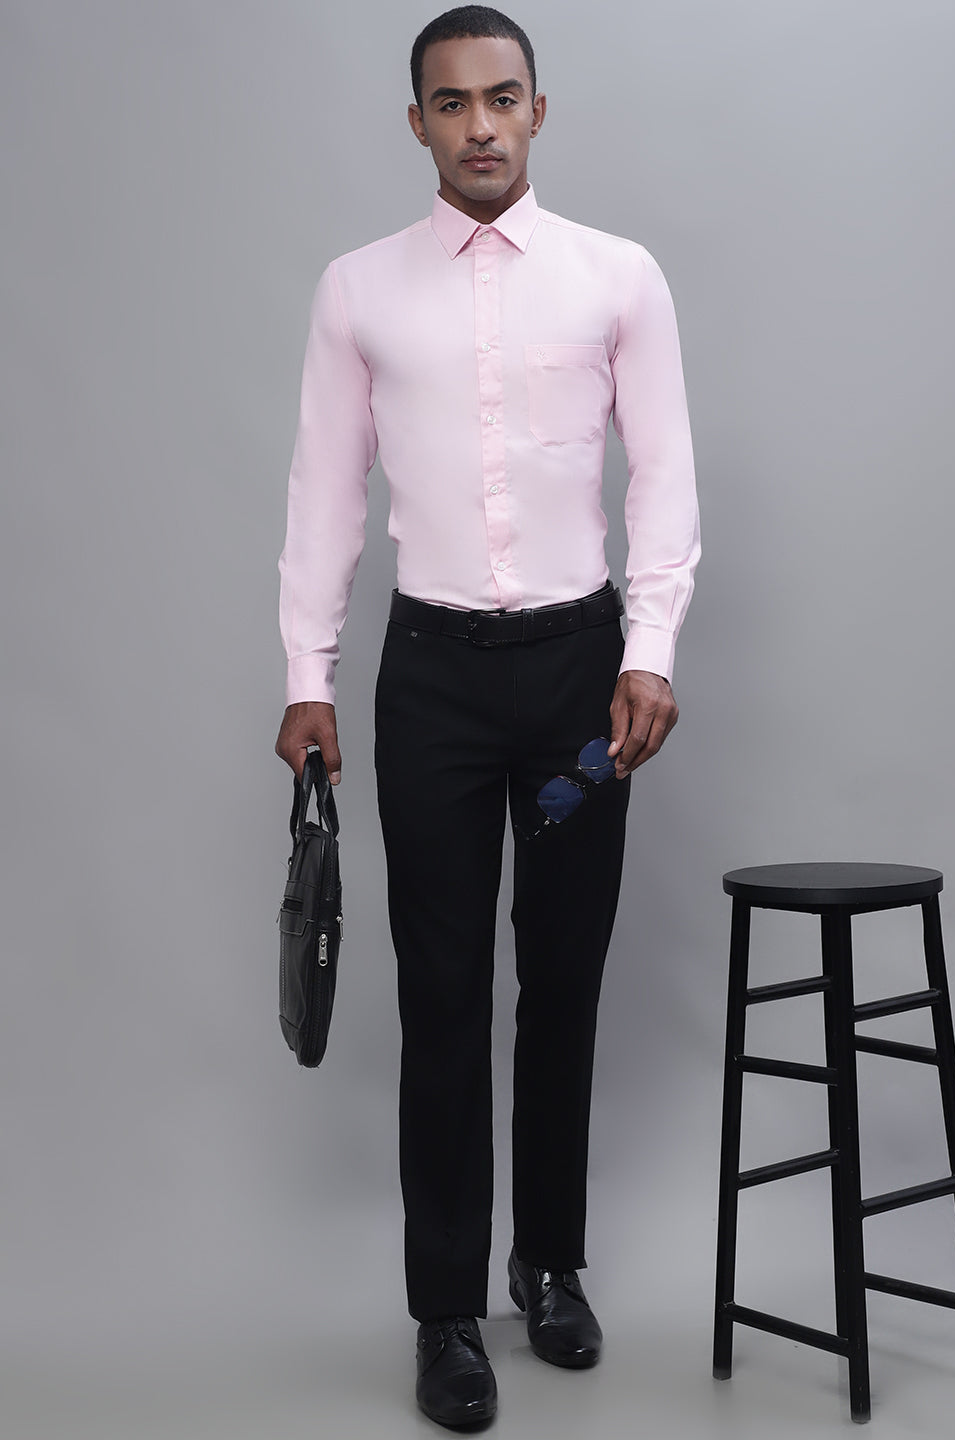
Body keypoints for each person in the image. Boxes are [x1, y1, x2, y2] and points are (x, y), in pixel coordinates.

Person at [274, 6, 699, 1427]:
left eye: (502, 98)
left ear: (537, 109)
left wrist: (649, 651)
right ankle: (446, 1310)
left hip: (581, 685)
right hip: (435, 686)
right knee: (444, 989)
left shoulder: (617, 277)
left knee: (564, 976)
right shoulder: (358, 291)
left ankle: (551, 1266)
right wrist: (308, 674)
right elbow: (325, 492)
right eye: (451, 103)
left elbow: (665, 476)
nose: (479, 125)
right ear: (418, 124)